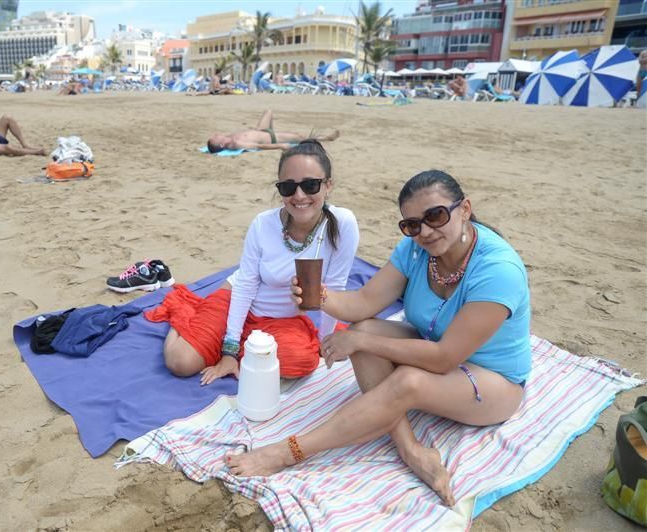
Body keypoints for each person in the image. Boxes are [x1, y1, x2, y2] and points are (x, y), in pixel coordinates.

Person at [227, 170, 532, 506]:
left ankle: (290, 451)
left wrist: (360, 343)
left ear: (465, 209)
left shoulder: (498, 269)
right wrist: (321, 296)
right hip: (434, 347)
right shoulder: (416, 251)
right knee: (364, 329)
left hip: (492, 381)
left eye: (436, 215)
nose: (426, 231)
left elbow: (445, 357)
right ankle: (411, 449)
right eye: (413, 224)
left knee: (405, 379)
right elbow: (363, 304)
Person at [145, 140, 359, 385]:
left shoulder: (342, 224)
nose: (299, 196)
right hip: (237, 302)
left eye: (310, 185)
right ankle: (186, 310)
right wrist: (229, 351)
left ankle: (219, 338)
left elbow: (336, 285)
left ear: (328, 185)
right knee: (180, 363)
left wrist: (325, 342)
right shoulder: (263, 224)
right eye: (288, 187)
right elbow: (245, 285)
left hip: (283, 321)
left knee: (299, 363)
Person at [207, 110, 340, 154]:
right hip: (270, 137)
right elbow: (259, 147)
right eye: (216, 138)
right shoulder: (235, 143)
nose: (216, 135)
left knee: (269, 112)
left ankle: (275, 131)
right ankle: (327, 138)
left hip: (261, 130)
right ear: (222, 145)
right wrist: (280, 146)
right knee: (299, 137)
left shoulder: (229, 138)